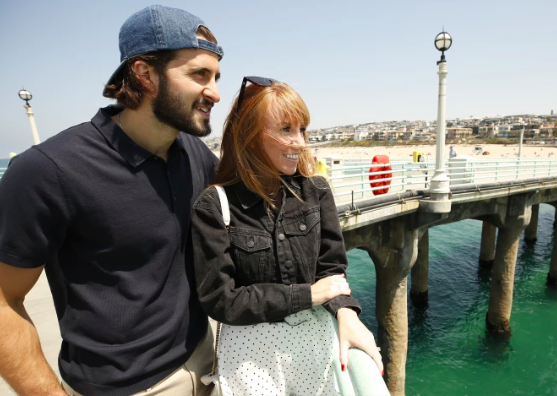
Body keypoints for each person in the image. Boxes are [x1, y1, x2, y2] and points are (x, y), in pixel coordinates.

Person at [0, 6, 223, 396]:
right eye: (199, 75)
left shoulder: (195, 154)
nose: (215, 92)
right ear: (144, 74)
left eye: (216, 76)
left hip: (207, 363)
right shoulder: (48, 170)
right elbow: (4, 300)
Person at [190, 77, 384, 394]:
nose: (300, 142)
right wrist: (308, 295)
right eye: (286, 130)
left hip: (314, 348)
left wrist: (347, 314)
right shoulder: (215, 206)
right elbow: (221, 299)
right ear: (249, 136)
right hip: (250, 360)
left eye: (302, 129)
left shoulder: (316, 192)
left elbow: (331, 270)